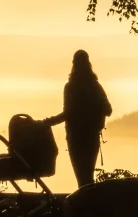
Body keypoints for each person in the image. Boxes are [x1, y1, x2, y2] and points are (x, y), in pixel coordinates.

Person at [44, 50, 113, 188]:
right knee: (88, 178)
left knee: (82, 179)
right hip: (92, 137)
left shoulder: (70, 87)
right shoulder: (95, 86)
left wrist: (46, 123)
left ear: (74, 64)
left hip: (75, 138)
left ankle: (85, 206)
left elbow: (67, 114)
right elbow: (108, 110)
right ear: (88, 64)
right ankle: (90, 205)